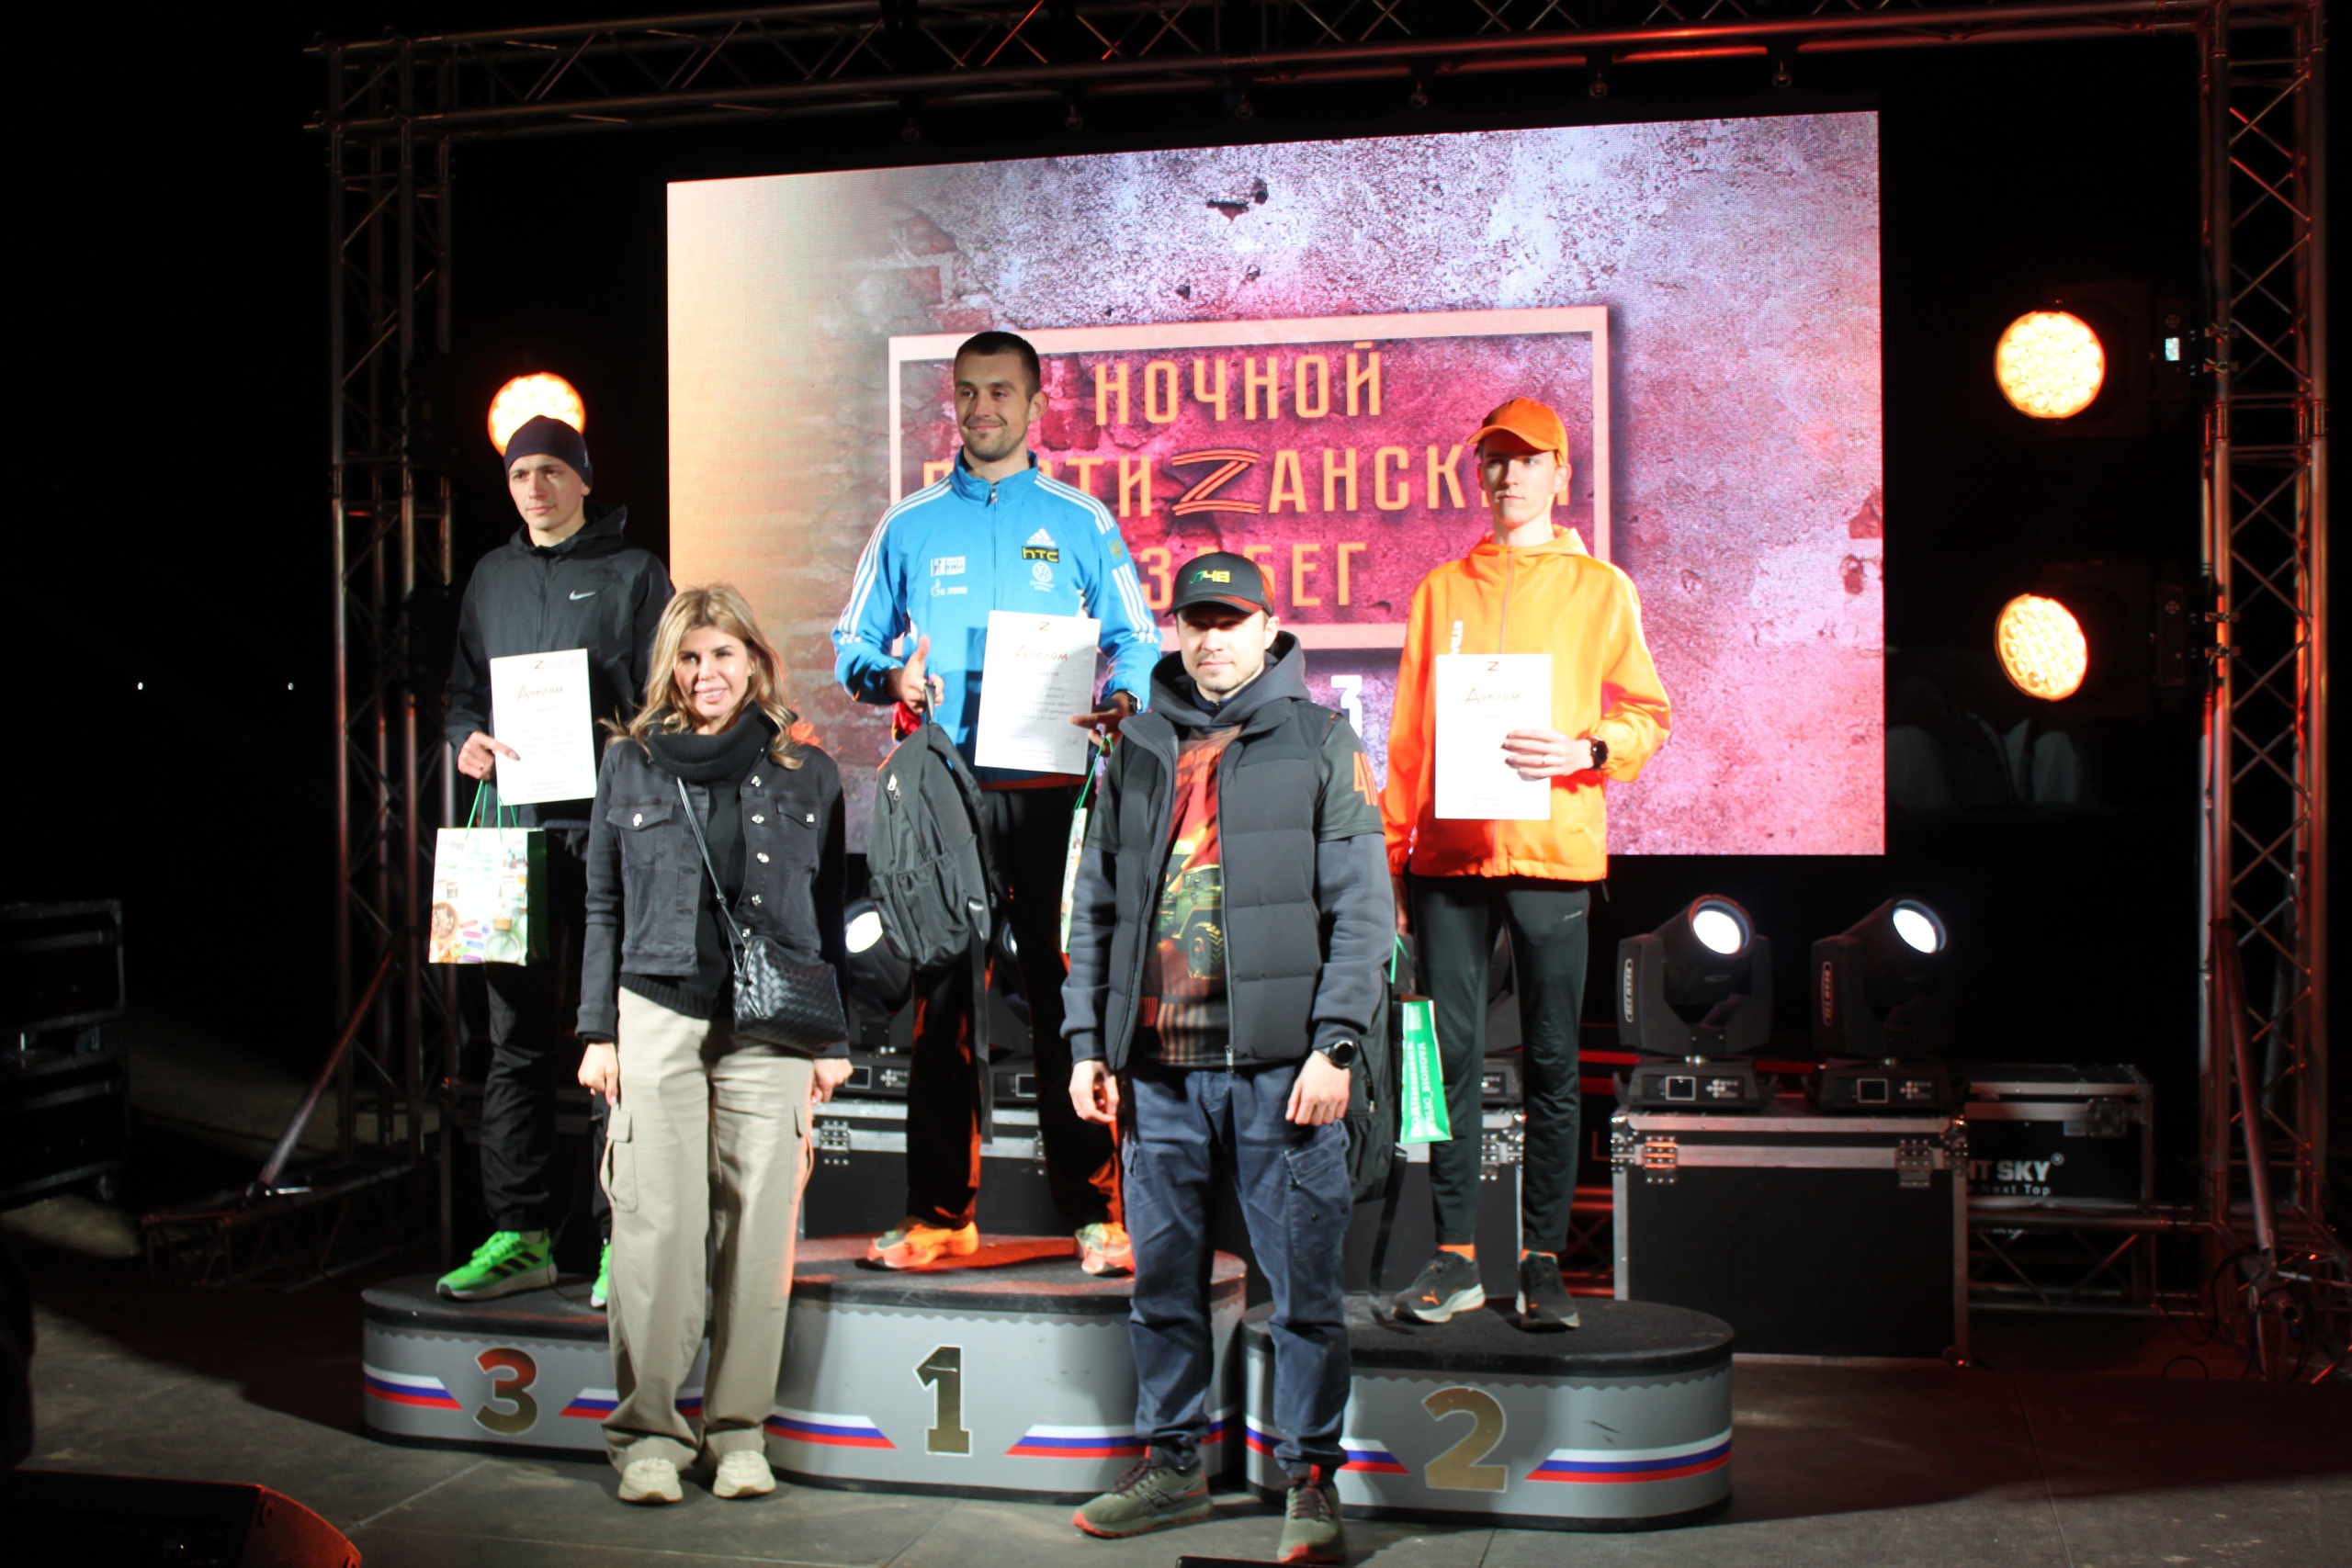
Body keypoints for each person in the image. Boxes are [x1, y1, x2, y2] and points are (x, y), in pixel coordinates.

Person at [1062, 553, 1389, 1565]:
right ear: (1176, 629)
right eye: (1196, 620)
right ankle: (1172, 1465)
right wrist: (1088, 1041)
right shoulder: (1135, 745)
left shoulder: (1322, 740)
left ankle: (1310, 1479)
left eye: (1231, 620)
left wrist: (1336, 1044)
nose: (1211, 638)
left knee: (1303, 1295)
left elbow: (1362, 910)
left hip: (1281, 1074)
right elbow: (1095, 905)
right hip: (1156, 1071)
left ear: (1267, 629)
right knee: (1162, 1285)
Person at [832, 330, 1159, 1274]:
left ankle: (1096, 1214)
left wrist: (1123, 697)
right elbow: (853, 645)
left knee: (1065, 997)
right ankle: (941, 1214)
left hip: (1049, 787)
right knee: (942, 1003)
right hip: (943, 796)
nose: (983, 409)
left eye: (1001, 393)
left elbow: (1136, 638)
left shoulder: (1080, 519)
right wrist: (893, 678)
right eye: (969, 392)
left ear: (1035, 404)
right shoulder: (908, 524)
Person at [1381, 396, 1671, 1331]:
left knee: (1551, 1058)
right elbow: (1409, 737)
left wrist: (1587, 750)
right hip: (1448, 858)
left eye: (1527, 459)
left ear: (1560, 472)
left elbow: (1647, 714)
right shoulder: (1441, 590)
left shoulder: (1601, 588)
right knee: (1448, 1062)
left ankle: (1543, 1261)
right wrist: (1392, 852)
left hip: (1553, 852)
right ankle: (1455, 1257)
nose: (1508, 475)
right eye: (1494, 460)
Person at [575, 584, 855, 1505]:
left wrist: (831, 1038)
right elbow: (602, 903)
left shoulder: (806, 770)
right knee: (654, 1229)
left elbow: (824, 913)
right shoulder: (629, 763)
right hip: (656, 1013)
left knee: (759, 1232)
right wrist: (597, 1029)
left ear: (754, 663)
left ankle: (738, 1432)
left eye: (723, 655)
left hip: (772, 1028)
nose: (706, 674)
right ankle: (648, 1437)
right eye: (690, 657)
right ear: (669, 666)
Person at [439, 413, 674, 1308]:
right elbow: (464, 695)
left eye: (549, 471)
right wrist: (465, 740)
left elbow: (666, 696)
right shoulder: (490, 578)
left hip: (612, 832)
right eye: (518, 475)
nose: (533, 488)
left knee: (615, 1039)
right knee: (514, 1041)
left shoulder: (634, 572)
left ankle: (623, 1240)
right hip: (515, 835)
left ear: (583, 479)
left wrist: (627, 750)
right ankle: (520, 1233)